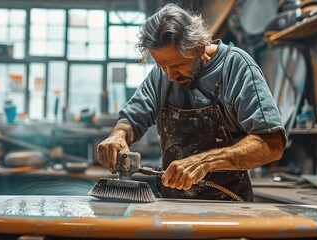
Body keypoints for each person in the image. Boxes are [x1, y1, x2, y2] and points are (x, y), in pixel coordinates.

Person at [96, 3, 286, 201]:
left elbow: (271, 144)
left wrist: (204, 161)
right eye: (162, 65)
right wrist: (118, 135)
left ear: (198, 46)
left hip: (229, 204)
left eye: (177, 65)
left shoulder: (235, 66)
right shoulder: (162, 76)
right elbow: (132, 118)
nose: (170, 75)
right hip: (171, 202)